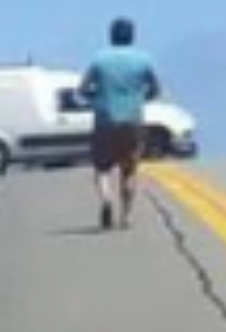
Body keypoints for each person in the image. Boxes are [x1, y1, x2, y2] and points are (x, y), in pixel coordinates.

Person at [81, 17, 161, 231]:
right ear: (132, 36)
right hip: (133, 120)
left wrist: (95, 96)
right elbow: (155, 89)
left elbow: (82, 89)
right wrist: (140, 98)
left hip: (105, 119)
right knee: (130, 169)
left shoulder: (99, 59)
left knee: (102, 168)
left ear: (111, 36)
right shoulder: (143, 60)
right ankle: (125, 216)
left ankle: (106, 199)